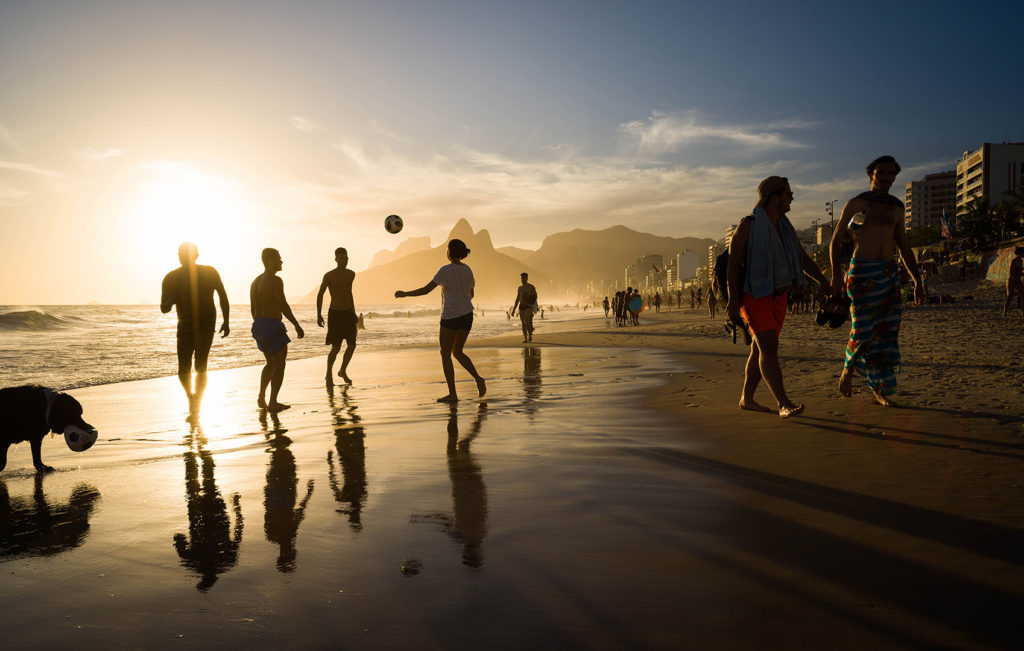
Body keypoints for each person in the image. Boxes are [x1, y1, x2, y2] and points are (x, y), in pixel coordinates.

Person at [727, 176, 830, 419]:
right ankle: (783, 403)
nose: (791, 198)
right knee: (769, 348)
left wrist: (823, 282)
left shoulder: (785, 227)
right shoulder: (749, 225)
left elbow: (802, 259)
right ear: (774, 197)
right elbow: (732, 263)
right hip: (754, 295)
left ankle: (747, 399)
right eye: (788, 194)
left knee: (758, 349)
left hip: (779, 296)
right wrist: (732, 299)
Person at [829, 156, 926, 407]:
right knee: (862, 329)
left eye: (891, 173)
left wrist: (917, 281)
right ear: (870, 174)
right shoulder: (857, 203)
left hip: (888, 273)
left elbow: (903, 246)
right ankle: (847, 371)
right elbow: (836, 240)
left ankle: (878, 389)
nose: (886, 177)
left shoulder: (896, 206)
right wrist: (836, 275)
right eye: (881, 172)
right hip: (862, 273)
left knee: (885, 333)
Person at [395, 239, 486, 403]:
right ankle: (478, 379)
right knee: (457, 352)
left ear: (450, 252)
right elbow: (472, 294)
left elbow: (426, 290)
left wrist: (405, 294)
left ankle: (453, 394)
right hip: (467, 315)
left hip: (450, 316)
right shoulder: (468, 270)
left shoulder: (445, 270)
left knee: (445, 353)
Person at [161, 242, 229, 414]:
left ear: (196, 255)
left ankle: (197, 399)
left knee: (201, 363)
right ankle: (191, 396)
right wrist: (174, 298)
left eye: (187, 254)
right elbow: (164, 308)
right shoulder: (171, 278)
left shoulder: (209, 272)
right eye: (181, 254)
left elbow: (223, 296)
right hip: (185, 324)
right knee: (183, 366)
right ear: (178, 256)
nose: (183, 257)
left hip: (206, 324)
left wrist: (226, 321)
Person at [250, 248, 305, 412]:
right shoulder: (275, 280)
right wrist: (296, 324)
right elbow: (282, 304)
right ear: (269, 260)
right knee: (279, 365)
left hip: (258, 325)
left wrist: (260, 326)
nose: (281, 262)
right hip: (272, 325)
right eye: (278, 259)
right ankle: (273, 402)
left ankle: (261, 397)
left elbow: (253, 309)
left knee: (270, 363)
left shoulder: (255, 281)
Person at [316, 247, 358, 386]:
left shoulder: (351, 274)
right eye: (340, 258)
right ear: (336, 259)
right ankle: (328, 374)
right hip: (335, 314)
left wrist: (354, 312)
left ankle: (342, 371)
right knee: (336, 347)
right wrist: (318, 314)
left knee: (352, 345)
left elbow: (349, 293)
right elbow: (320, 294)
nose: (343, 260)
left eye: (345, 258)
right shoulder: (329, 275)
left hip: (348, 313)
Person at [511, 272, 539, 343]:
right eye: (521, 278)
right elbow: (517, 299)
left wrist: (529, 296)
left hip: (528, 306)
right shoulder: (520, 288)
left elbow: (535, 296)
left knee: (526, 320)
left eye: (524, 278)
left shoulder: (531, 287)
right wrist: (513, 310)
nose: (522, 279)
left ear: (527, 278)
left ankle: (530, 335)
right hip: (521, 306)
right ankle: (525, 338)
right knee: (523, 322)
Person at [1002, 246, 1024, 317]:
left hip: (1018, 280)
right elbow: (1012, 272)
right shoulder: (1014, 260)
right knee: (1010, 296)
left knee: (1023, 295)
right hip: (1012, 280)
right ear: (1021, 253)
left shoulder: (1020, 260)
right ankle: (1004, 313)